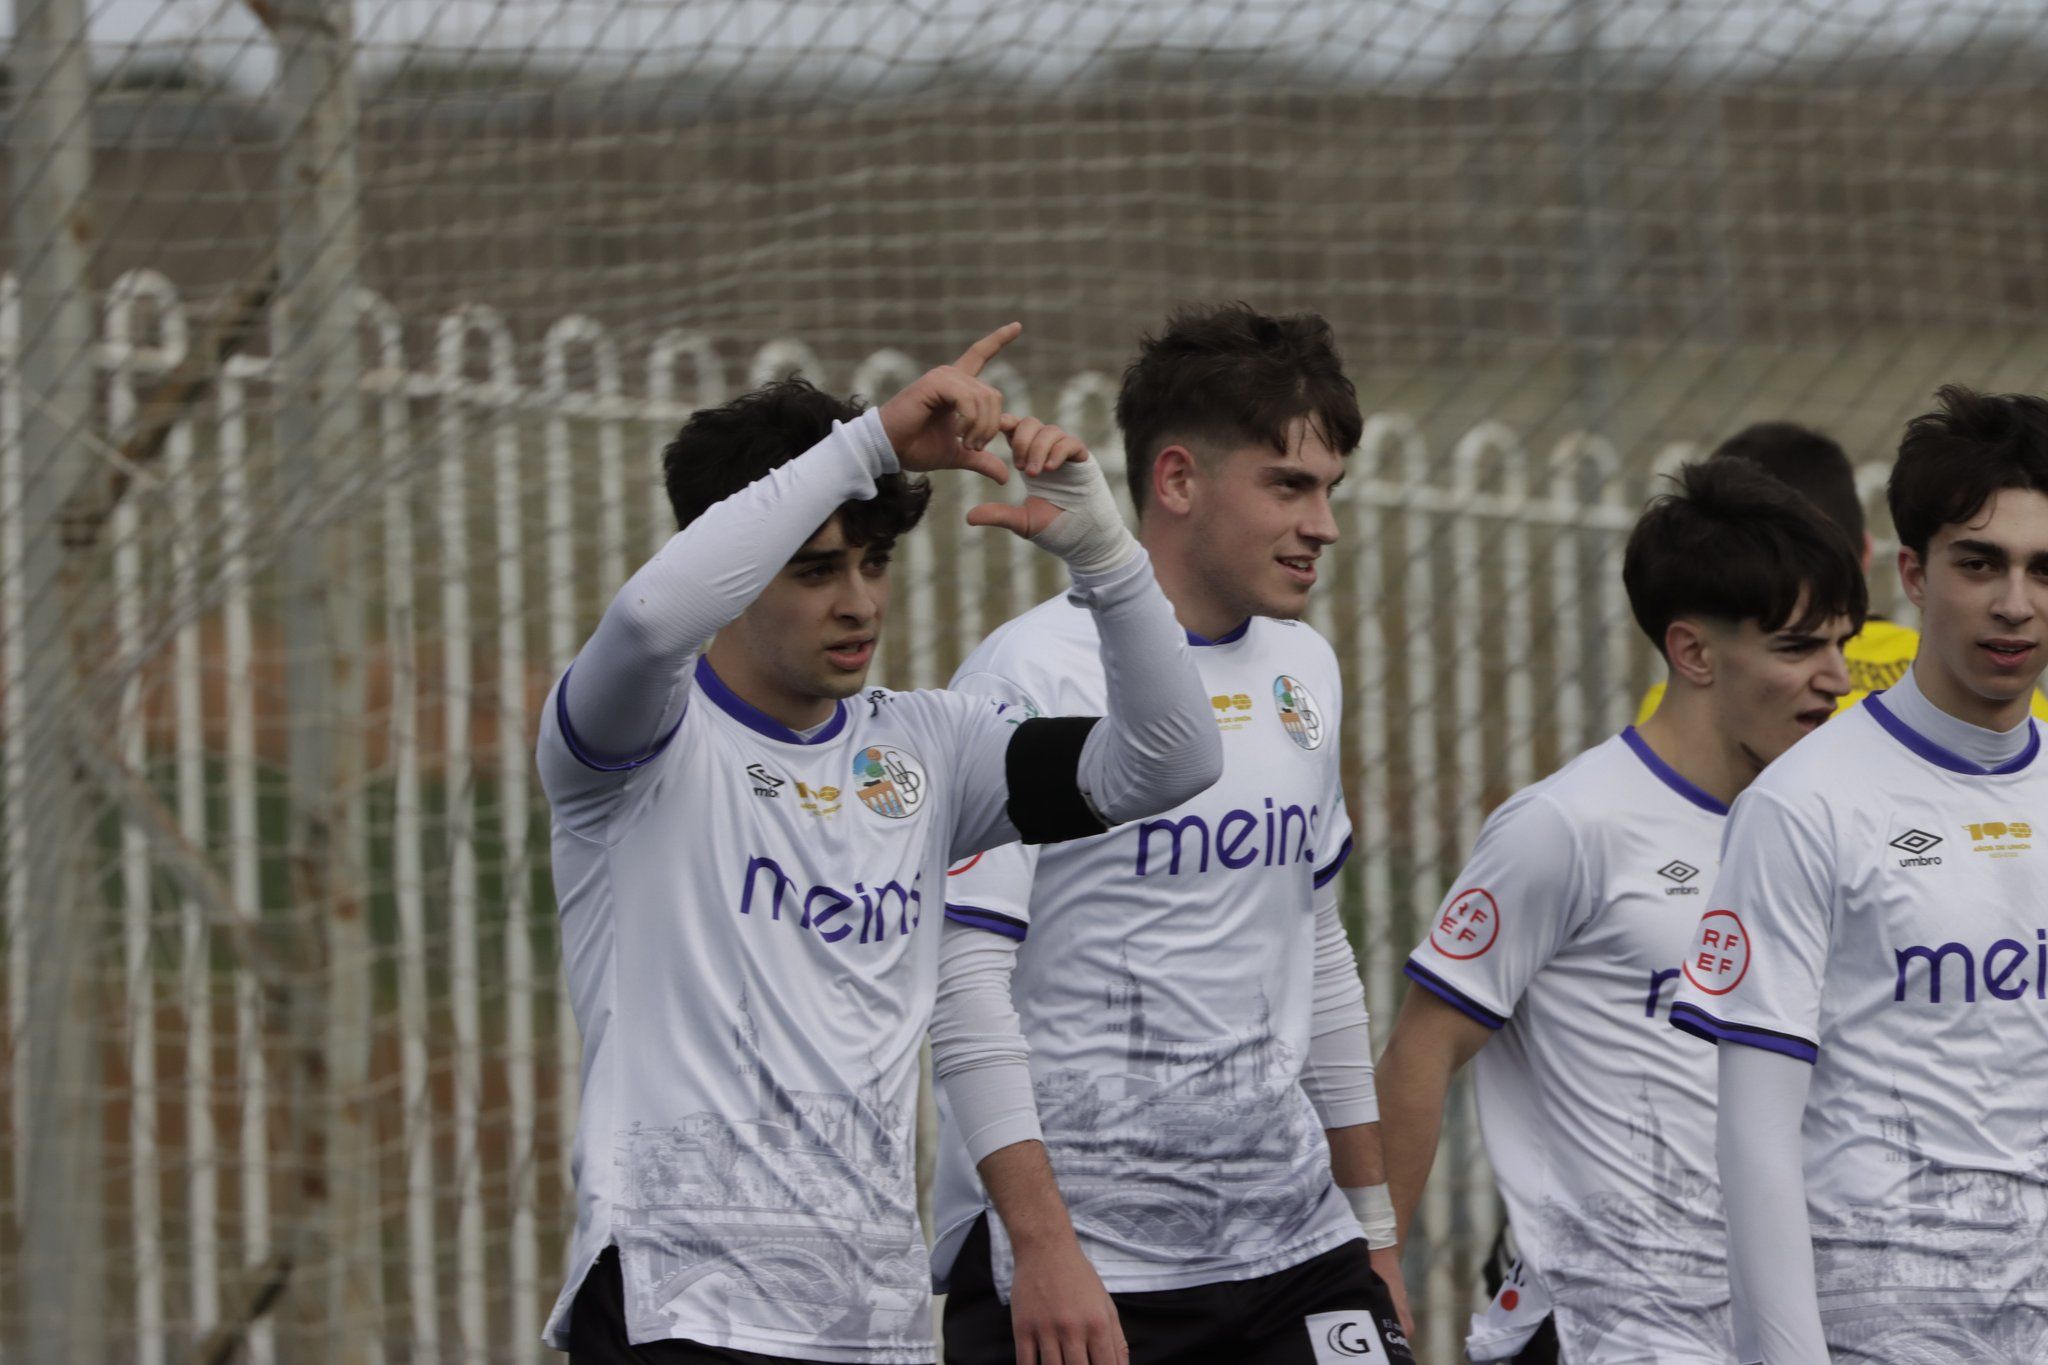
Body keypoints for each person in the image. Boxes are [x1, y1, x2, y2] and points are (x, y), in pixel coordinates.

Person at [535, 324, 1225, 1364]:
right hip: (683, 1311)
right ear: (736, 571)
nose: (857, 601)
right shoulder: (638, 745)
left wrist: (1105, 561)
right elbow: (644, 619)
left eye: (871, 561)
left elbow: (1169, 760)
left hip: (874, 1326)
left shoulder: (925, 745)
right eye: (813, 571)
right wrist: (866, 444)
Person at [927, 304, 1414, 1365]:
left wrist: (1368, 1229)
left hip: (1292, 1246)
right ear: (1177, 481)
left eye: (1327, 489)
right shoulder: (1032, 672)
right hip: (1091, 1269)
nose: (1321, 524)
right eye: (1287, 486)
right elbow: (963, 974)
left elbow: (1314, 945)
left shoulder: (1304, 669)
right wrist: (1045, 1248)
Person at [1374, 459, 1866, 1364]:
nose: (1837, 677)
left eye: (1843, 641)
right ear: (1694, 652)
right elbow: (1421, 1045)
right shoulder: (1569, 823)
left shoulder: (1828, 824)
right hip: (1603, 1336)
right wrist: (1370, 1274)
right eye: (1800, 647)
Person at [1671, 385, 2048, 1364]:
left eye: (2042, 569)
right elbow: (1751, 1146)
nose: (2013, 603)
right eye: (1979, 565)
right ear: (1914, 576)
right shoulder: (1802, 806)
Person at [1637, 420, 2048, 721]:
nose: (1837, 683)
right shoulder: (1994, 684)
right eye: (1978, 565)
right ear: (1873, 556)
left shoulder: (1687, 698)